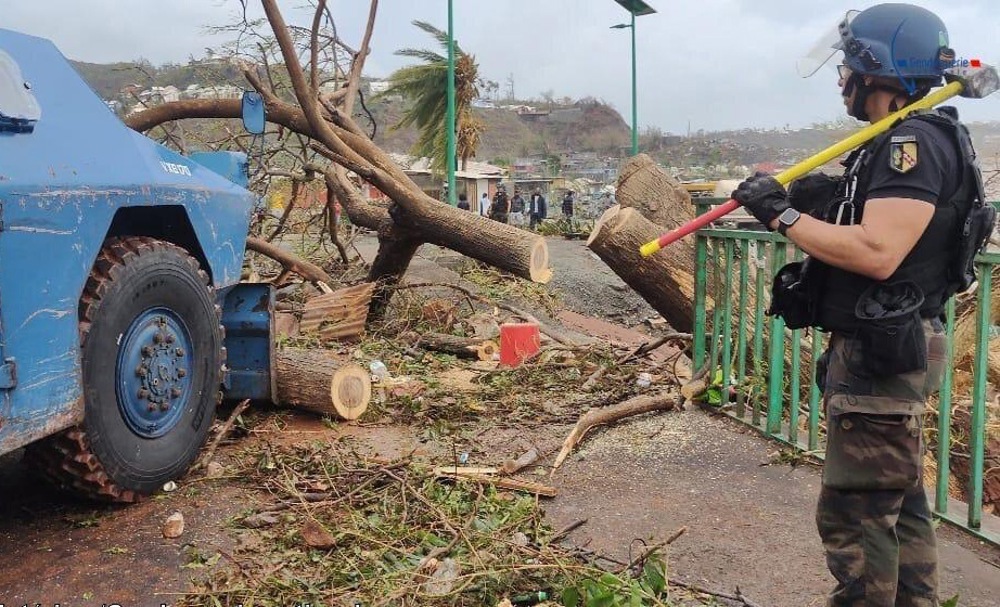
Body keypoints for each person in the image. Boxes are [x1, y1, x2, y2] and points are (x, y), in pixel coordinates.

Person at [731, 5, 994, 605]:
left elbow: (878, 251)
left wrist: (782, 215)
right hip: (885, 346)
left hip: (884, 353)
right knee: (898, 505)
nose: (841, 77)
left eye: (848, 64)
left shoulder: (912, 142)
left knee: (858, 516)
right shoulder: (898, 140)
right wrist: (818, 203)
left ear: (877, 71)